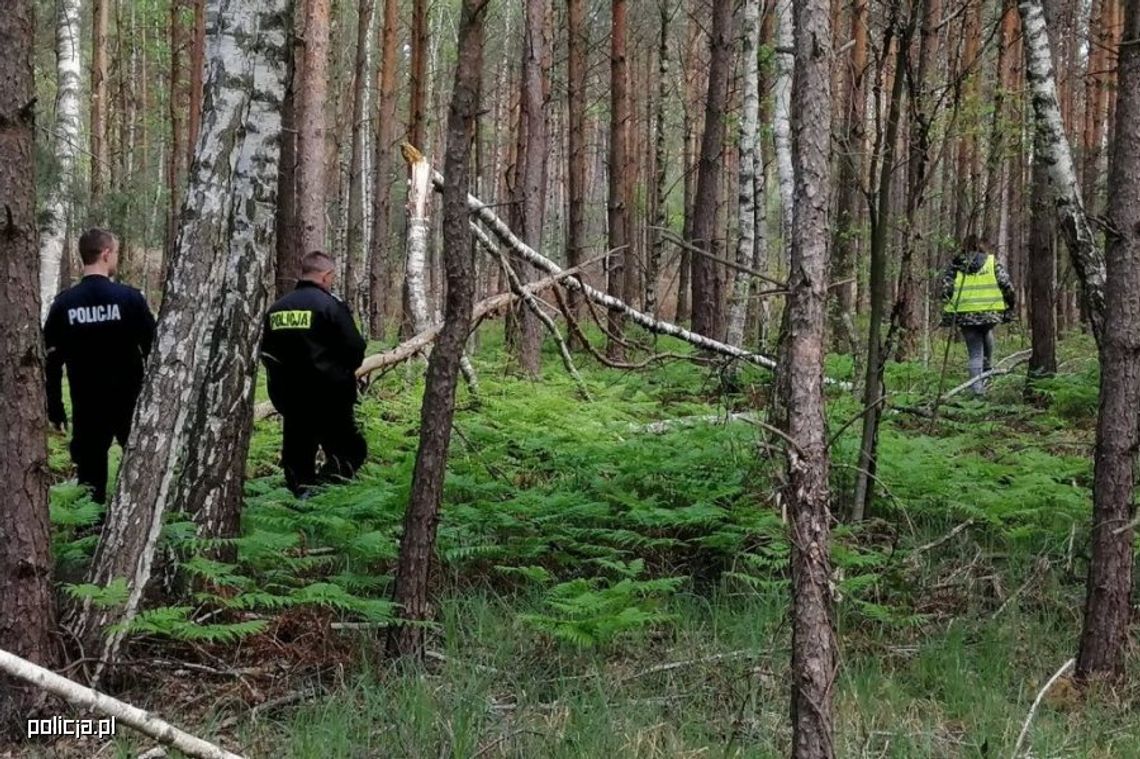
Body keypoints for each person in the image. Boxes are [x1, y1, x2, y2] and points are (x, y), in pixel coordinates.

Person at [44, 228, 157, 504]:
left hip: (87, 405)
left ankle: (89, 535)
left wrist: (55, 406)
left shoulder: (64, 304)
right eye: (115, 252)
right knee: (139, 471)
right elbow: (155, 351)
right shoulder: (130, 299)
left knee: (90, 480)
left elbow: (51, 362)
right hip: (130, 402)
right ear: (106, 254)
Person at [261, 251, 367, 497]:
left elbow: (267, 353)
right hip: (330, 397)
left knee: (297, 458)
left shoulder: (277, 310)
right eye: (332, 277)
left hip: (290, 399)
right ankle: (322, 495)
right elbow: (355, 348)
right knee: (351, 451)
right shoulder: (330, 306)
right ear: (326, 276)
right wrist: (341, 372)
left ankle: (303, 501)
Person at [941, 234, 1017, 395]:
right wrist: (1010, 304)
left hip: (964, 314)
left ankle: (977, 391)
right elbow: (1006, 285)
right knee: (987, 332)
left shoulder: (955, 265)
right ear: (980, 246)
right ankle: (988, 371)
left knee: (975, 352)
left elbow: (945, 290)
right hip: (990, 313)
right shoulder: (991, 262)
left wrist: (949, 304)